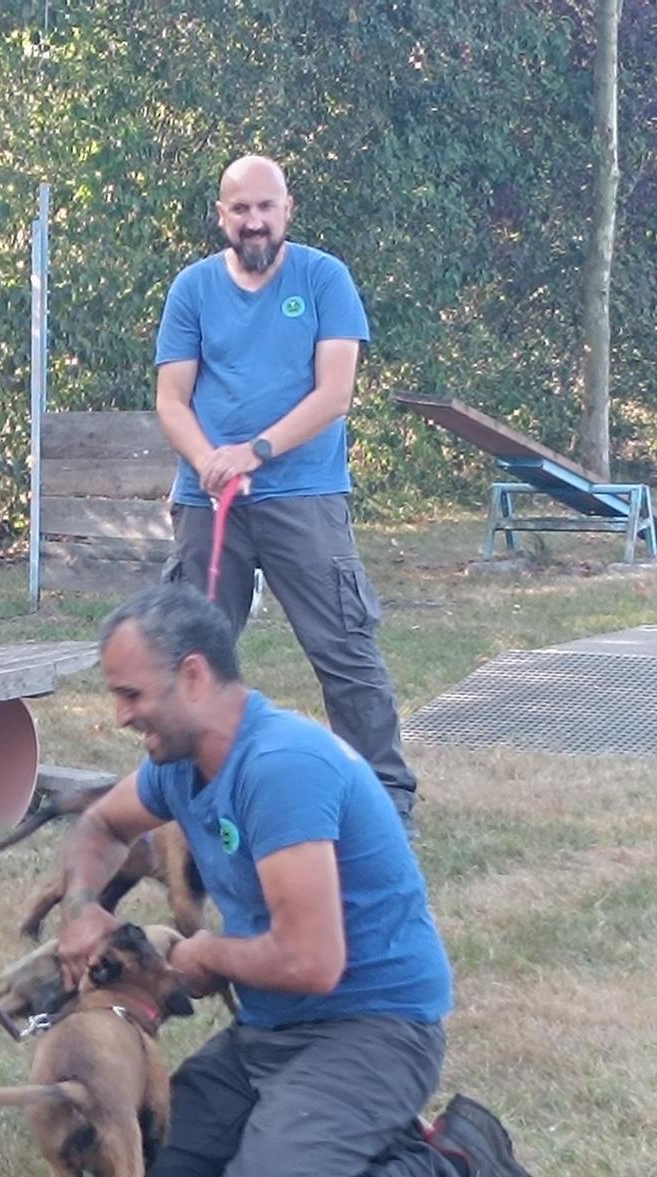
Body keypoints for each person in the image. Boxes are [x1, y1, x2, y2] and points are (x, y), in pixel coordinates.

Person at [52, 583, 545, 1177]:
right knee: (125, 1174)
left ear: (193, 676)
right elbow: (101, 823)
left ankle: (449, 1165)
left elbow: (312, 962)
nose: (121, 716)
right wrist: (81, 910)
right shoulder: (182, 769)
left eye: (131, 695)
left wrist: (205, 954)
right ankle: (324, 1139)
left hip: (372, 1032)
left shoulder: (282, 768)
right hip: (272, 1036)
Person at [155, 154, 418, 828]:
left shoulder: (324, 278)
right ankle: (189, 797)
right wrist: (207, 458)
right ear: (221, 216)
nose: (253, 221)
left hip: (304, 493)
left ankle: (384, 801)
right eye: (240, 209)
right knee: (189, 654)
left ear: (287, 209)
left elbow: (335, 394)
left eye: (265, 207)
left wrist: (257, 450)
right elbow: (171, 398)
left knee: (345, 649)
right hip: (209, 504)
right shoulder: (191, 289)